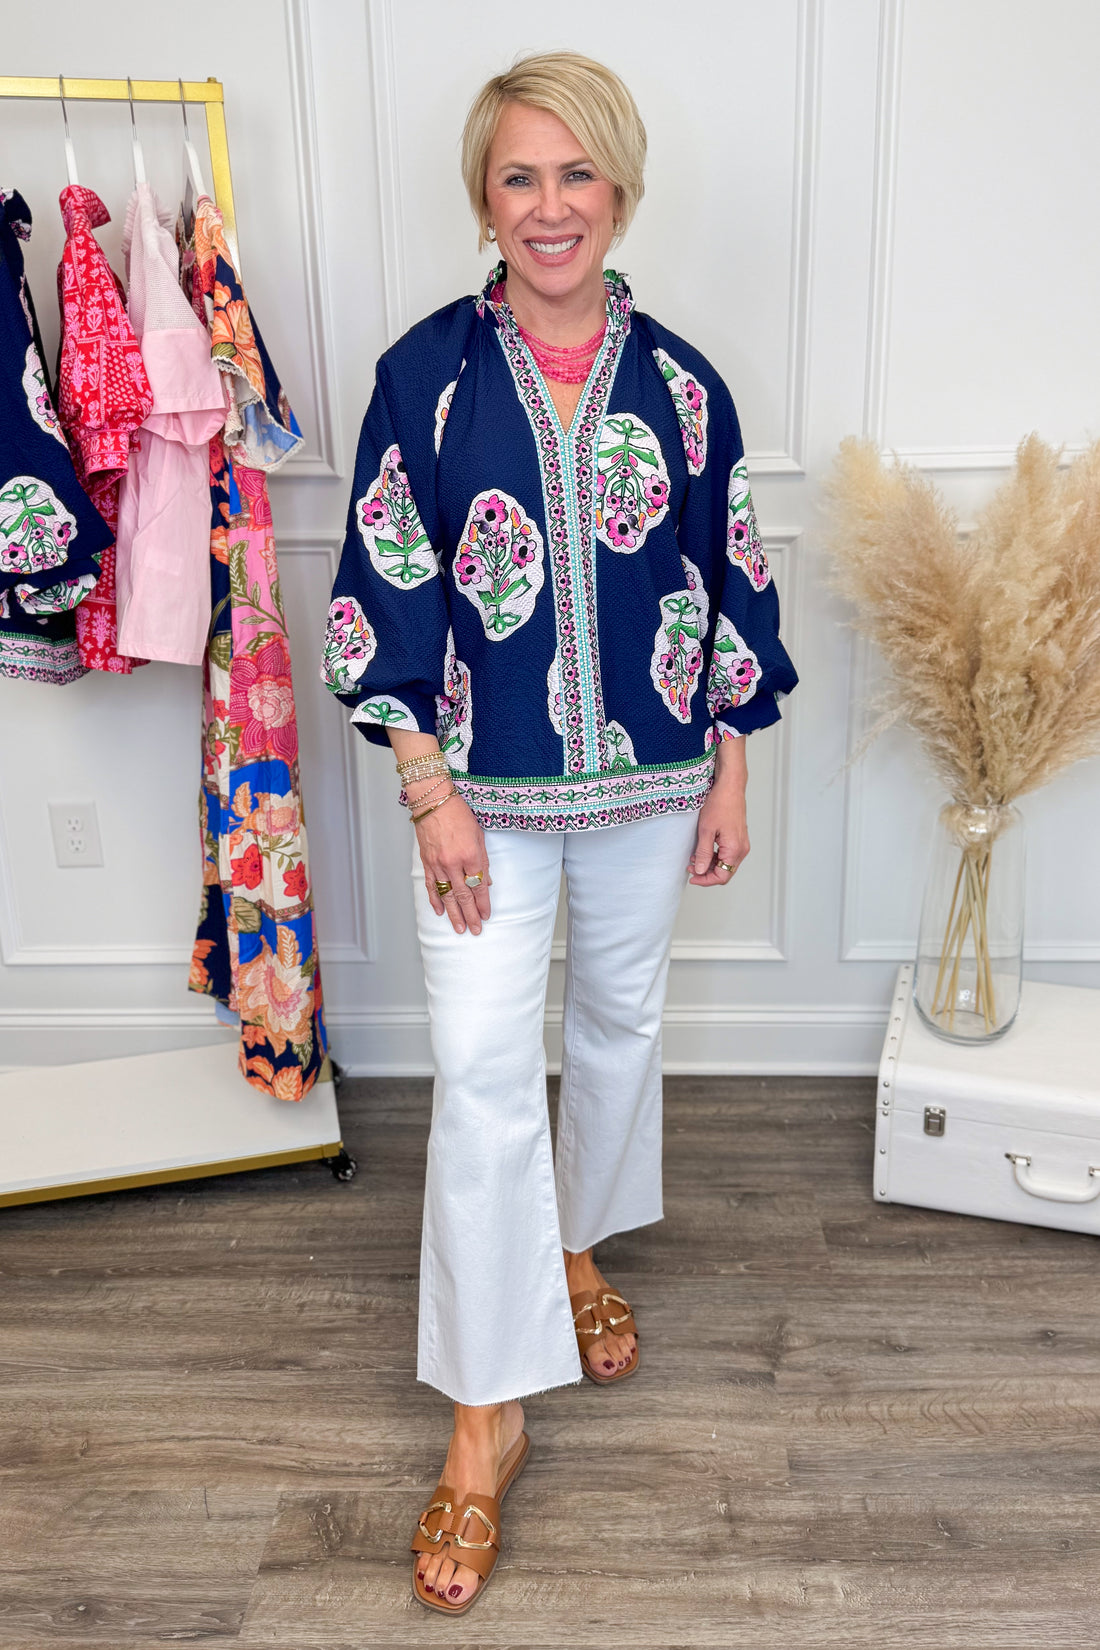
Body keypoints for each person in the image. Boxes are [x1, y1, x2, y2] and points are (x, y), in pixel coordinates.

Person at [321, 49, 798, 1616]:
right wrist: (427, 787)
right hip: (482, 798)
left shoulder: (685, 386)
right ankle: (483, 1411)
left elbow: (728, 582)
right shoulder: (425, 381)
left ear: (619, 190)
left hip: (656, 784)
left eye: (576, 175)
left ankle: (580, 1249)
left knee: (614, 1024)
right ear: (485, 196)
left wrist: (729, 768)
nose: (549, 207)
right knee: (474, 1072)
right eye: (520, 177)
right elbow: (381, 586)